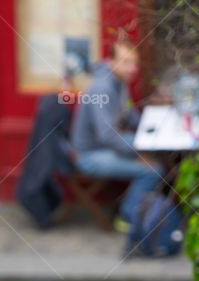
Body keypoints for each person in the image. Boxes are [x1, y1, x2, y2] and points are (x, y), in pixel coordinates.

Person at [70, 38, 164, 227]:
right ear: (111, 61)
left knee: (155, 158)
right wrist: (139, 150)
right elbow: (107, 135)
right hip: (89, 155)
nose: (132, 68)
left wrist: (148, 127)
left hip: (105, 147)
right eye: (126, 62)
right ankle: (127, 218)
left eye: (134, 63)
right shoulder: (102, 89)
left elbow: (128, 114)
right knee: (154, 170)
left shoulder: (119, 81)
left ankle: (137, 210)